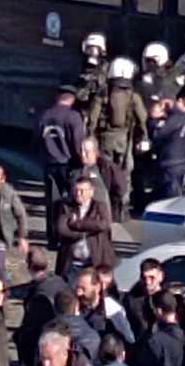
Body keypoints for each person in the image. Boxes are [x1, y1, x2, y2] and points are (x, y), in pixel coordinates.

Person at [94, 58, 150, 223]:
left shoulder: (103, 93)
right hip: (125, 141)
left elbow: (92, 118)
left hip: (105, 139)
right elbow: (142, 118)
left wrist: (91, 135)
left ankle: (105, 208)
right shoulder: (133, 96)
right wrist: (143, 136)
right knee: (125, 175)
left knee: (104, 174)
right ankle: (122, 209)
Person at [40, 87, 89, 246]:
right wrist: (82, 161)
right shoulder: (73, 117)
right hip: (69, 165)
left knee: (52, 202)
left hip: (49, 164)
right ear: (72, 99)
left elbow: (36, 140)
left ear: (57, 97)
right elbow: (77, 143)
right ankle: (69, 234)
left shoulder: (45, 115)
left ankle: (52, 238)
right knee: (72, 200)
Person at [57, 174, 115, 274]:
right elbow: (62, 229)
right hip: (71, 262)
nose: (78, 194)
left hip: (94, 261)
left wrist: (76, 224)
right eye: (76, 190)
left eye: (82, 191)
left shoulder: (99, 206)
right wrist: (85, 233)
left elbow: (103, 224)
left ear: (91, 192)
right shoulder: (66, 207)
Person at [146, 93, 185, 200]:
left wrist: (153, 119)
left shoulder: (176, 119)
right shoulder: (184, 118)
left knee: (171, 197)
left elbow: (158, 135)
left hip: (172, 163)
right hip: (183, 161)